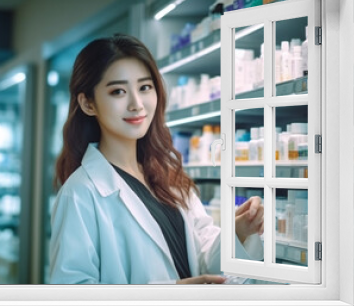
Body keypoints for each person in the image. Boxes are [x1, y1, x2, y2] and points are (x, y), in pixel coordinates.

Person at [49, 34, 264, 284]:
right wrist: (168, 294)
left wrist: (238, 232)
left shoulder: (167, 175)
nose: (137, 104)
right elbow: (72, 292)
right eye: (118, 91)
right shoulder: (80, 193)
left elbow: (199, 257)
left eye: (145, 87)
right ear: (88, 104)